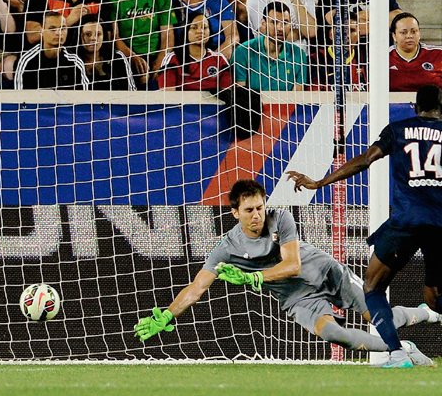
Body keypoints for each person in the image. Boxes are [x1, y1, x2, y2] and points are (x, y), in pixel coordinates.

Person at [134, 179, 440, 367]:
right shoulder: (226, 247)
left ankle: (427, 313)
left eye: (259, 207)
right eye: (249, 210)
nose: (257, 215)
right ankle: (403, 348)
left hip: (324, 271)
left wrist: (254, 278)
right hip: (297, 297)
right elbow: (196, 288)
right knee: (337, 335)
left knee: (375, 316)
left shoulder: (279, 219)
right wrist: (168, 314)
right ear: (234, 213)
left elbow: (292, 264)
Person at [287, 84, 442, 368]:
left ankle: (396, 355)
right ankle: (403, 347)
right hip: (439, 224)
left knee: (372, 288)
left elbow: (365, 160)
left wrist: (321, 182)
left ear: (414, 105)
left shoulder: (398, 129)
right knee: (433, 298)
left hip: (405, 221)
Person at [231, 1, 307, 91]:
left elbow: (296, 98)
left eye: (285, 23)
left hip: (286, 104)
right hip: (252, 104)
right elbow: (241, 96)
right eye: (274, 22)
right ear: (263, 23)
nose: (280, 28)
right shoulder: (243, 52)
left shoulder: (299, 55)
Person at [105, 0, 177, 89]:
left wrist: (159, 63)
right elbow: (115, 37)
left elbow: (167, 35)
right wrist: (133, 57)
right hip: (126, 55)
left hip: (155, 54)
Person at [14, 11, 88, 90]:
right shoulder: (27, 61)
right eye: (52, 29)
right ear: (41, 31)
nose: (59, 33)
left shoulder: (75, 61)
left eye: (63, 28)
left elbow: (84, 97)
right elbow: (19, 97)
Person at [76, 15, 136, 91]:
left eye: (98, 34)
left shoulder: (117, 57)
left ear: (104, 36)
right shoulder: (71, 61)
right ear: (79, 36)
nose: (93, 38)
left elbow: (131, 90)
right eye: (88, 34)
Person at [310, 12, 367, 91]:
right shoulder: (316, 59)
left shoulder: (365, 60)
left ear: (359, 35)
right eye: (342, 30)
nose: (347, 36)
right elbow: (314, 98)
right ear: (331, 34)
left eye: (352, 30)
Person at [388, 12, 442, 92]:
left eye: (414, 31)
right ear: (394, 36)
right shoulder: (383, 57)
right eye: (403, 32)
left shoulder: (438, 54)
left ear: (419, 34)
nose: (409, 36)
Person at [172, 0, 238, 60]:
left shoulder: (218, 0)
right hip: (183, 56)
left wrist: (214, 58)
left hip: (217, 53)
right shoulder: (171, 2)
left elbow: (233, 35)